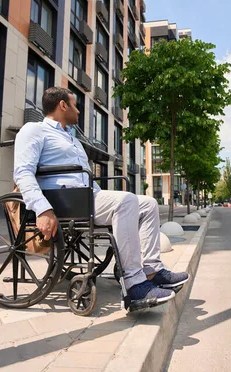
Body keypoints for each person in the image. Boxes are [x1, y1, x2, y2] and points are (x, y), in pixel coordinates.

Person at [14, 87, 188, 307]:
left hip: (86, 196)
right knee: (125, 201)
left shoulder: (72, 139)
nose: (78, 110)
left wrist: (100, 192)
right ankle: (134, 286)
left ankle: (151, 270)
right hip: (63, 201)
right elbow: (22, 172)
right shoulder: (34, 130)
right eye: (75, 104)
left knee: (148, 203)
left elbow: (83, 177)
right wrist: (42, 209)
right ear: (62, 105)